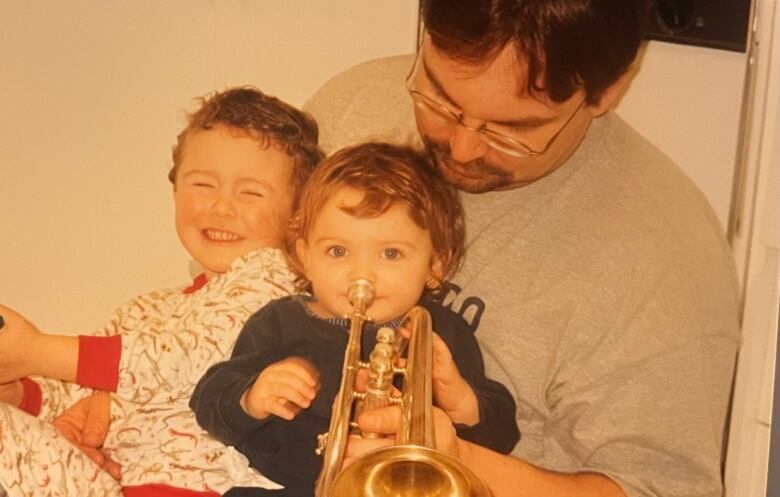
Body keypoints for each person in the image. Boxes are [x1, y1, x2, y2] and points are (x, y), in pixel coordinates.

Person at [302, 1, 741, 497]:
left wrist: (459, 460)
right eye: (440, 100)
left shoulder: (666, 259)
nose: (462, 147)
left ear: (609, 90)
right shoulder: (355, 103)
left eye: (513, 131)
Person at [0, 86, 324, 497]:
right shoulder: (147, 308)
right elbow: (73, 390)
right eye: (203, 185)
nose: (221, 207)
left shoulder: (279, 283)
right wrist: (20, 391)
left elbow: (182, 361)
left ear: (299, 215)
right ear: (175, 190)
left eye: (250, 192)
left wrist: (37, 351)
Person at [190, 142, 520, 496]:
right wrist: (251, 397)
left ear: (435, 266)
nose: (361, 273)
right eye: (338, 251)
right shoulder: (281, 321)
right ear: (306, 258)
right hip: (281, 487)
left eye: (391, 253)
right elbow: (209, 400)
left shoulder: (439, 332)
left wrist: (462, 400)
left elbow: (501, 435)